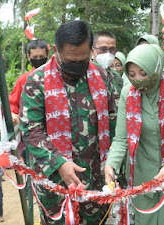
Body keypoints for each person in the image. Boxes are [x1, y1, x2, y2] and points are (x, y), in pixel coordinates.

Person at [20, 20, 118, 225]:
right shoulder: (36, 81)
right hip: (55, 182)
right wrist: (59, 163)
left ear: (90, 51)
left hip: (96, 180)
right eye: (71, 61)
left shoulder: (103, 76)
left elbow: (115, 122)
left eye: (82, 61)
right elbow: (31, 130)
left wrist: (115, 163)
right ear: (55, 50)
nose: (77, 67)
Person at [104, 44, 164, 225]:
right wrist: (111, 164)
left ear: (156, 68)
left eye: (143, 73)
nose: (137, 79)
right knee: (143, 221)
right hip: (142, 173)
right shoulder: (127, 93)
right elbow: (121, 138)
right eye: (132, 74)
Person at [9, 39, 49, 127]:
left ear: (47, 55)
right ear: (28, 57)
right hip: (32, 129)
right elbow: (12, 103)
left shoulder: (55, 77)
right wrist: (12, 114)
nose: (38, 60)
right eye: (35, 57)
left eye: (41, 56)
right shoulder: (23, 80)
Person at [91, 31, 123, 107]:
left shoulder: (116, 77)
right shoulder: (84, 75)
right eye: (103, 49)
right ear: (92, 51)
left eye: (112, 49)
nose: (108, 53)